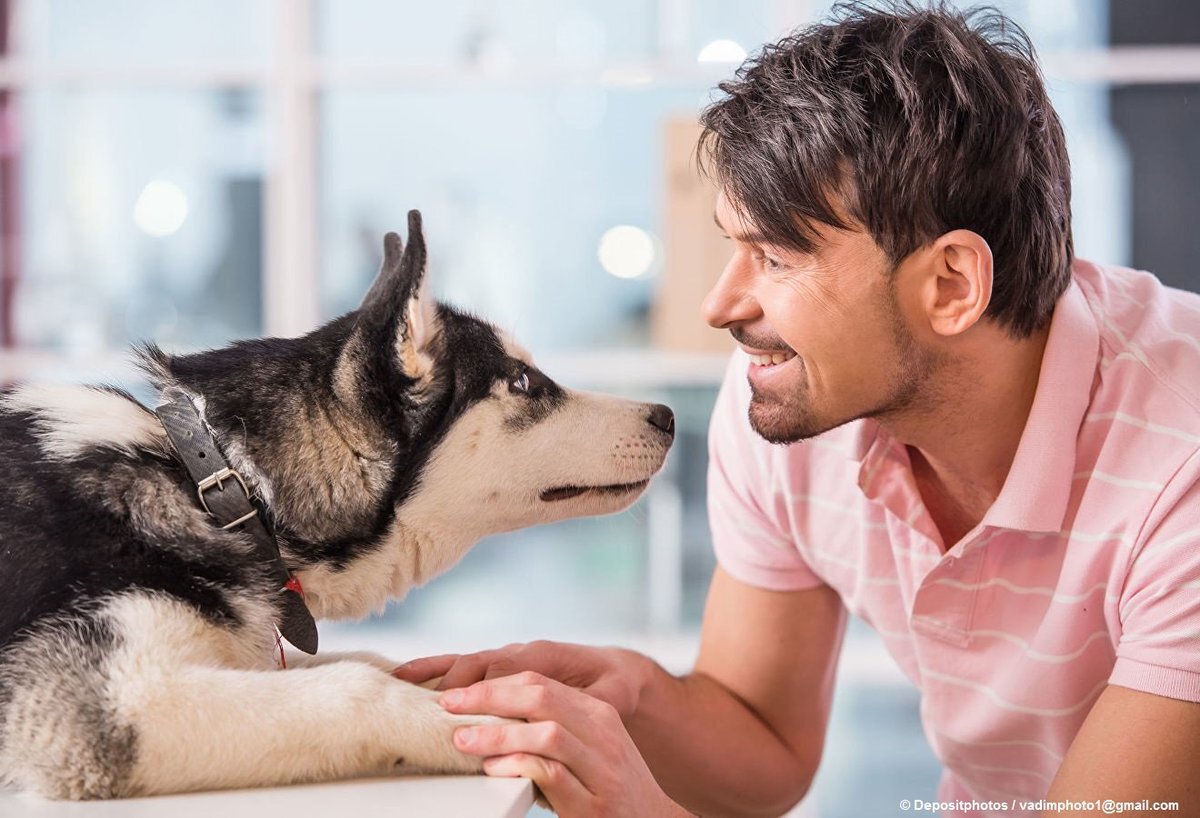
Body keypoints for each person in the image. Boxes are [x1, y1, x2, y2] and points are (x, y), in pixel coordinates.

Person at [395, 3, 1200, 815]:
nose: (720, 305)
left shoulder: (1183, 467)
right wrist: (632, 695)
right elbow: (763, 749)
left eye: (775, 257)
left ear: (952, 284)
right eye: (732, 247)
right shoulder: (804, 395)